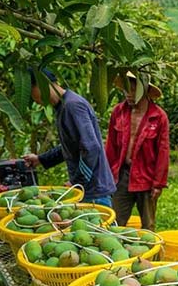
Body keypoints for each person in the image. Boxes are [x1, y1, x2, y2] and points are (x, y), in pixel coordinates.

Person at [22, 69, 115, 206]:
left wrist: (77, 182)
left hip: (93, 192)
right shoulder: (63, 107)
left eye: (32, 91)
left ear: (43, 84)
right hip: (87, 190)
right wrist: (41, 159)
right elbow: (71, 146)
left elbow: (91, 148)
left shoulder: (72, 106)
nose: (34, 98)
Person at [105, 72, 170, 230]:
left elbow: (163, 152)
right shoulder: (118, 112)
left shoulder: (158, 117)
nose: (129, 94)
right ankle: (116, 254)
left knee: (148, 225)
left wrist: (158, 183)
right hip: (123, 175)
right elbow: (111, 147)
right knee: (114, 222)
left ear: (144, 91)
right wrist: (107, 176)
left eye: (133, 90)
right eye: (127, 90)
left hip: (146, 177)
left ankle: (150, 254)